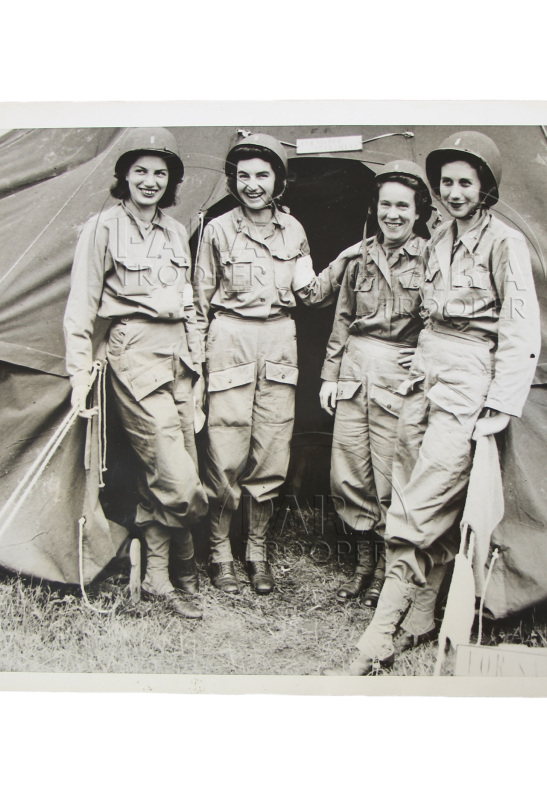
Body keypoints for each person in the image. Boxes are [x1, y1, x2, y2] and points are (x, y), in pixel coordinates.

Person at [324, 131, 541, 675]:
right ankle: (421, 617)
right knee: (409, 483)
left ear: (485, 187)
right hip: (423, 369)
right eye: (446, 182)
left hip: (469, 375)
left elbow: (519, 326)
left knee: (423, 499)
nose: (454, 192)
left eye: (465, 182)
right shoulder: (440, 238)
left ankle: (377, 636)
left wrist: (501, 400)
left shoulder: (504, 242)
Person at [194, 133, 348, 596]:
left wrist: (346, 261)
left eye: (262, 174)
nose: (252, 184)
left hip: (280, 344)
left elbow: (308, 294)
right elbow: (199, 303)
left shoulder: (294, 230)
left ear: (279, 180)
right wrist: (197, 369)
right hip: (230, 341)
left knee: (271, 455)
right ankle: (221, 555)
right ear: (232, 180)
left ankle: (256, 553)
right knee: (224, 457)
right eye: (243, 176)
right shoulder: (217, 229)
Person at [64, 127, 208, 620]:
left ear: (171, 182)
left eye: (160, 173)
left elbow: (188, 305)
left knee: (171, 467)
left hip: (179, 358)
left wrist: (199, 369)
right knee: (177, 477)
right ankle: (185, 561)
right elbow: (80, 308)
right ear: (123, 175)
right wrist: (79, 373)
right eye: (140, 171)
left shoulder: (174, 230)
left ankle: (158, 577)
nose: (149, 181)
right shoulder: (101, 227)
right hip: (134, 353)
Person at [319, 161, 432, 608]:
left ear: (418, 211)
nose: (393, 214)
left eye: (403, 206)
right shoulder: (359, 256)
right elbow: (342, 318)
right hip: (353, 370)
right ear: (376, 208)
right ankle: (363, 566)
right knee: (350, 474)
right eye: (386, 204)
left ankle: (387, 571)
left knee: (390, 475)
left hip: (397, 374)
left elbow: (431, 327)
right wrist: (329, 375)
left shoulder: (430, 258)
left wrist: (418, 380)